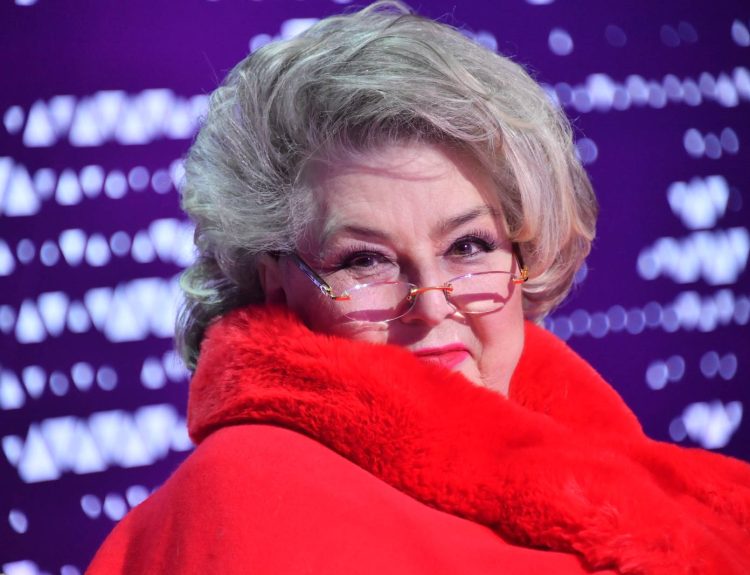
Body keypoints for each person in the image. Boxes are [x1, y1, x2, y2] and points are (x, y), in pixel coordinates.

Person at [87, 2, 750, 574]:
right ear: (277, 282)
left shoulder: (592, 443)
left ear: (521, 251)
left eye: (469, 246)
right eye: (366, 261)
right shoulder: (246, 500)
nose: (432, 305)